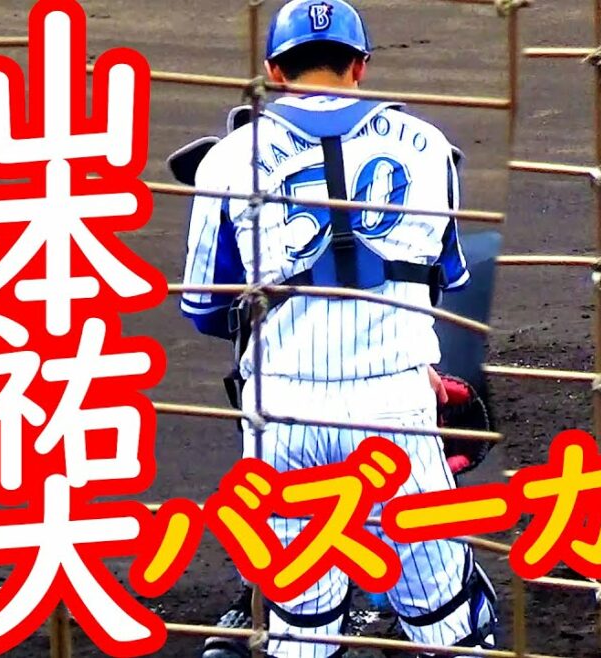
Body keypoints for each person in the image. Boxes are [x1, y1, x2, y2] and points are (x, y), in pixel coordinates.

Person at [177, 1, 497, 656]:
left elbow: (204, 307)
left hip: (280, 416)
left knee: (299, 619)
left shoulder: (229, 159)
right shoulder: (429, 147)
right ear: (360, 65)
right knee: (447, 610)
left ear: (274, 70)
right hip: (395, 412)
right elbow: (445, 275)